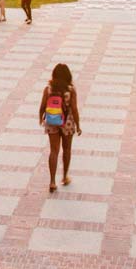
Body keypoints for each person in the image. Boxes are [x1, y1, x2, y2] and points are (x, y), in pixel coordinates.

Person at [39, 63, 82, 193]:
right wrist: (78, 125)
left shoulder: (48, 89)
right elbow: (74, 109)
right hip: (67, 122)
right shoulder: (70, 90)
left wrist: (41, 117)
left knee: (54, 151)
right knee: (67, 149)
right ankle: (64, 177)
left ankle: (52, 181)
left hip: (52, 121)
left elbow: (42, 106)